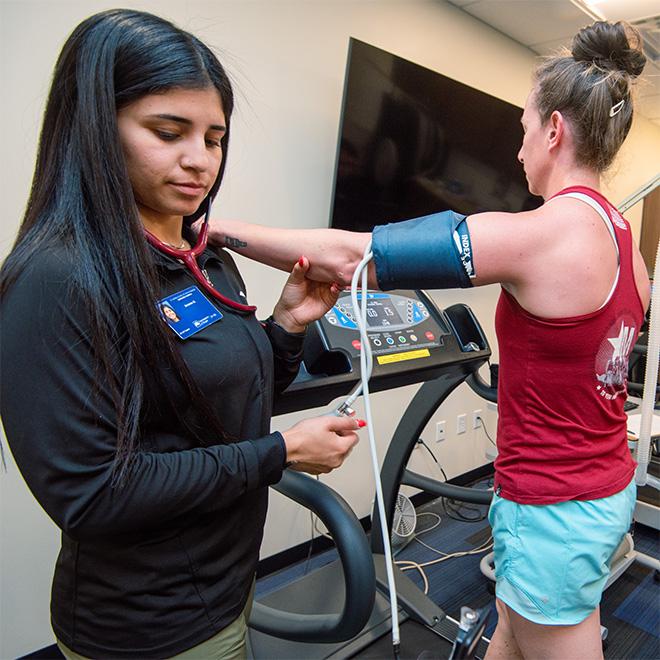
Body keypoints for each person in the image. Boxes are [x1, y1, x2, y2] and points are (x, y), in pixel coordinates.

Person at [202, 20, 651, 660]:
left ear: (554, 130)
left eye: (524, 129)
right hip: (601, 484)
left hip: (553, 504)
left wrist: (215, 229)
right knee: (512, 630)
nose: (519, 149)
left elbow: (349, 255)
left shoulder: (548, 231)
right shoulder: (623, 239)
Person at [0, 9, 364, 659]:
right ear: (94, 128)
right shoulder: (58, 278)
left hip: (227, 582)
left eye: (215, 138)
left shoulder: (199, 254)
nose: (199, 161)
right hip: (151, 623)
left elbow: (216, 405)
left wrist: (285, 328)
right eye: (168, 133)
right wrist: (281, 454)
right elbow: (94, 495)